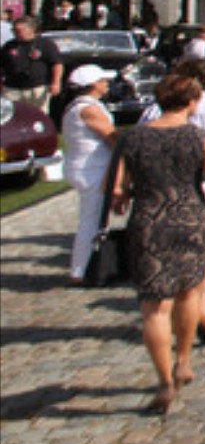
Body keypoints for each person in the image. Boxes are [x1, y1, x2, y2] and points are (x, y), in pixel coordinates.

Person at [108, 72, 205, 414]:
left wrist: (122, 199)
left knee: (154, 306)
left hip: (149, 219)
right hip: (191, 217)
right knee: (189, 292)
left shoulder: (132, 139)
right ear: (192, 102)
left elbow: (118, 188)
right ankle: (182, 359)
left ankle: (164, 379)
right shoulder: (200, 137)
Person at [62, 65, 118, 284]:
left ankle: (86, 266)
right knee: (91, 219)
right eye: (103, 80)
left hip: (86, 167)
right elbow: (110, 136)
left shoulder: (79, 106)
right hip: (91, 169)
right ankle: (80, 270)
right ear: (94, 84)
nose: (106, 83)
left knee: (94, 219)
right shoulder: (89, 109)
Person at [1, 17, 62, 108]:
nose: (15, 33)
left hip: (36, 88)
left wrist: (56, 82)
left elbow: (56, 64)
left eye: (18, 30)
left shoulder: (45, 44)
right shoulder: (9, 46)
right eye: (13, 30)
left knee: (37, 116)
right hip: (12, 88)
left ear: (30, 30)